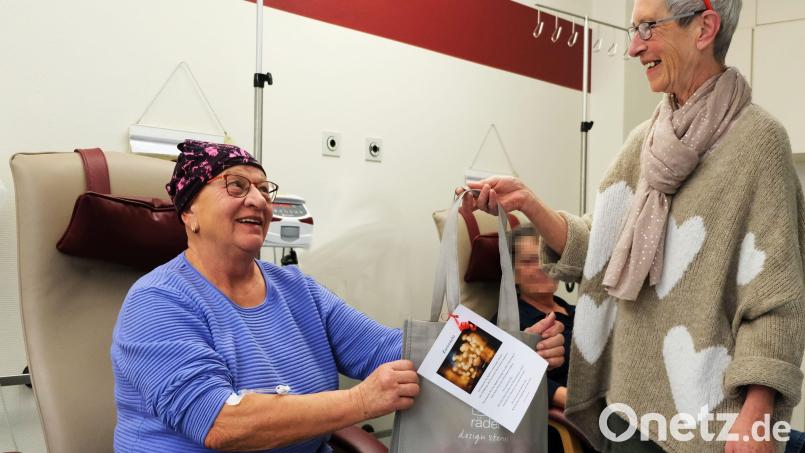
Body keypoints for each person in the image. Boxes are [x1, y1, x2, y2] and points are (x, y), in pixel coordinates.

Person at [462, 0, 805, 452]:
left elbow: (776, 300)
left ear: (704, 28)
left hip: (709, 422)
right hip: (625, 405)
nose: (633, 47)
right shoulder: (644, 142)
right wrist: (529, 204)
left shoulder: (759, 144)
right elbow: (596, 246)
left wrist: (756, 414)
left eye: (647, 28)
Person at [111, 140, 566, 452]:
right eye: (236, 186)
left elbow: (397, 351)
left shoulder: (296, 290)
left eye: (263, 188)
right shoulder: (158, 302)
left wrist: (515, 357)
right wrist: (360, 403)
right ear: (189, 210)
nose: (258, 200)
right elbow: (220, 424)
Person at [492, 226, 574, 410]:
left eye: (547, 259)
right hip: (568, 423)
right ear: (512, 274)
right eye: (529, 261)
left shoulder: (580, 312)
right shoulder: (507, 322)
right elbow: (500, 378)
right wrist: (561, 396)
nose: (542, 267)